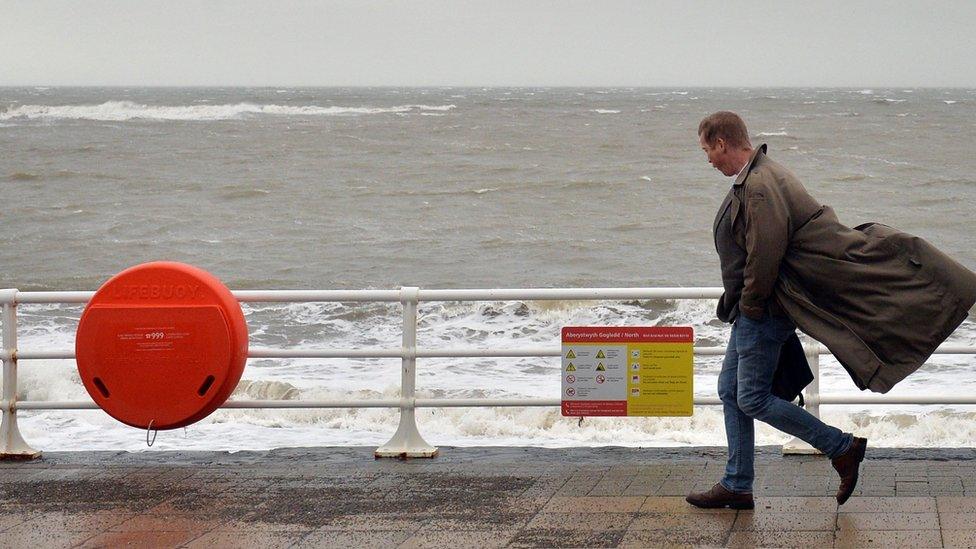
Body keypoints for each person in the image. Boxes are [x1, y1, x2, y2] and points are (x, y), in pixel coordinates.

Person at [686, 111, 976, 510]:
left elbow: (764, 256)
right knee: (729, 391)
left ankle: (841, 447)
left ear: (721, 142)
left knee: (750, 397)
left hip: (763, 310)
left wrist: (751, 307)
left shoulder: (759, 186)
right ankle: (737, 483)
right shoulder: (760, 175)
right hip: (752, 309)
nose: (708, 160)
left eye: (707, 150)